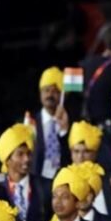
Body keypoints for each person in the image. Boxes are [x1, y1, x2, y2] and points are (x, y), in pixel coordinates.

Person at [30, 67, 71, 196]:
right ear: (40, 93)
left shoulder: (69, 121)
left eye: (55, 91)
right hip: (37, 182)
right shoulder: (30, 122)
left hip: (62, 183)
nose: (50, 95)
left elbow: (70, 154)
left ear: (61, 95)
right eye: (46, 90)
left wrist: (64, 130)